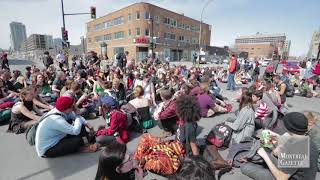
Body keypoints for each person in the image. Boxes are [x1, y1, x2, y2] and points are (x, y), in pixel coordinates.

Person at [241, 112, 319, 180]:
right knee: (267, 149)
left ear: (288, 128)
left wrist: (265, 156)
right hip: (299, 174)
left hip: (286, 177)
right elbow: (279, 152)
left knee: (245, 167)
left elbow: (281, 178)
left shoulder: (296, 148)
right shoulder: (308, 142)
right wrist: (278, 137)